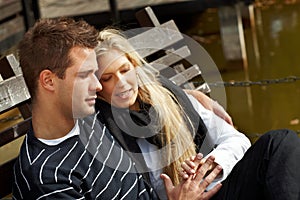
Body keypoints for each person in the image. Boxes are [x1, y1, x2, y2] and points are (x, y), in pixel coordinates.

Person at [12, 17, 223, 200]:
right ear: (49, 81)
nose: (97, 86)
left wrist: (190, 96)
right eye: (85, 75)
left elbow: (133, 86)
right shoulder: (48, 179)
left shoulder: (89, 113)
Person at [95, 28, 300, 200]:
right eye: (107, 78)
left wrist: (208, 167)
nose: (121, 83)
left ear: (135, 66)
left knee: (280, 141)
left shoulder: (171, 97)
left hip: (217, 191)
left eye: (125, 70)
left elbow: (236, 139)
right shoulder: (103, 131)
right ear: (96, 85)